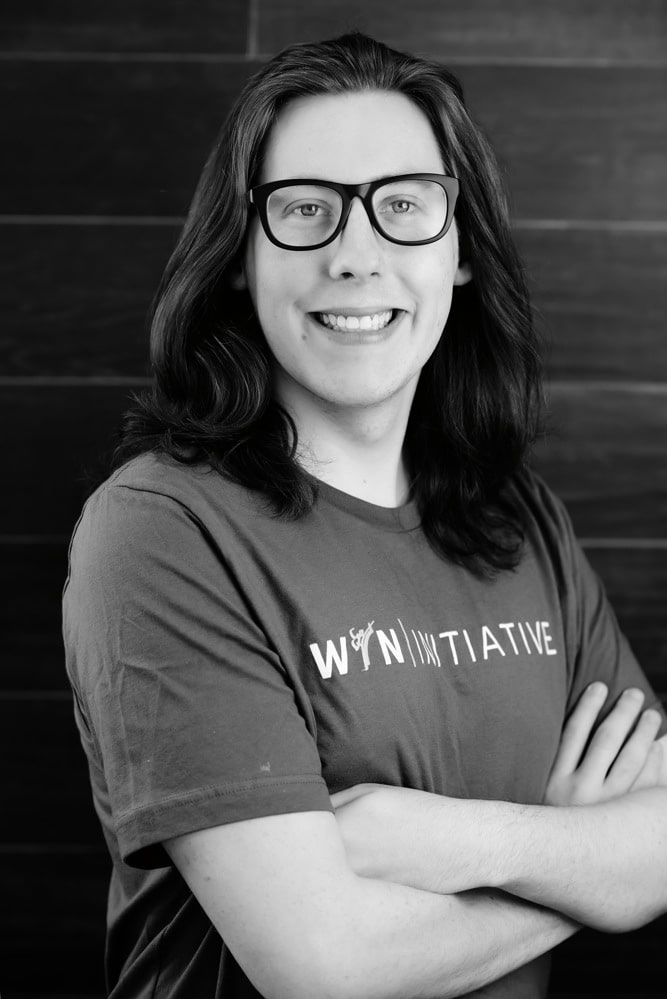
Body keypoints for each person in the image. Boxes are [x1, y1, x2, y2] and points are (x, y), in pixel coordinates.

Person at [62, 32, 667, 999]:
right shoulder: (161, 531)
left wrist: (442, 839)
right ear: (238, 257)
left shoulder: (520, 517)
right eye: (304, 209)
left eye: (404, 207)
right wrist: (581, 868)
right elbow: (324, 966)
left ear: (459, 250)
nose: (355, 256)